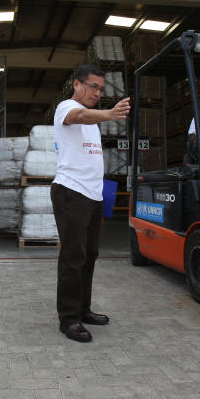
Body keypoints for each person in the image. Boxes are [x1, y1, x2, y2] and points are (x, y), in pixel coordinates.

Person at [51, 64, 130, 343]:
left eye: (101, 89)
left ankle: (83, 309)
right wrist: (109, 114)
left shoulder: (92, 124)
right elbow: (80, 115)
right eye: (93, 86)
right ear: (77, 84)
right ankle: (68, 319)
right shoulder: (66, 107)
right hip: (71, 192)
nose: (97, 92)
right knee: (73, 257)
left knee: (90, 255)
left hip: (93, 196)